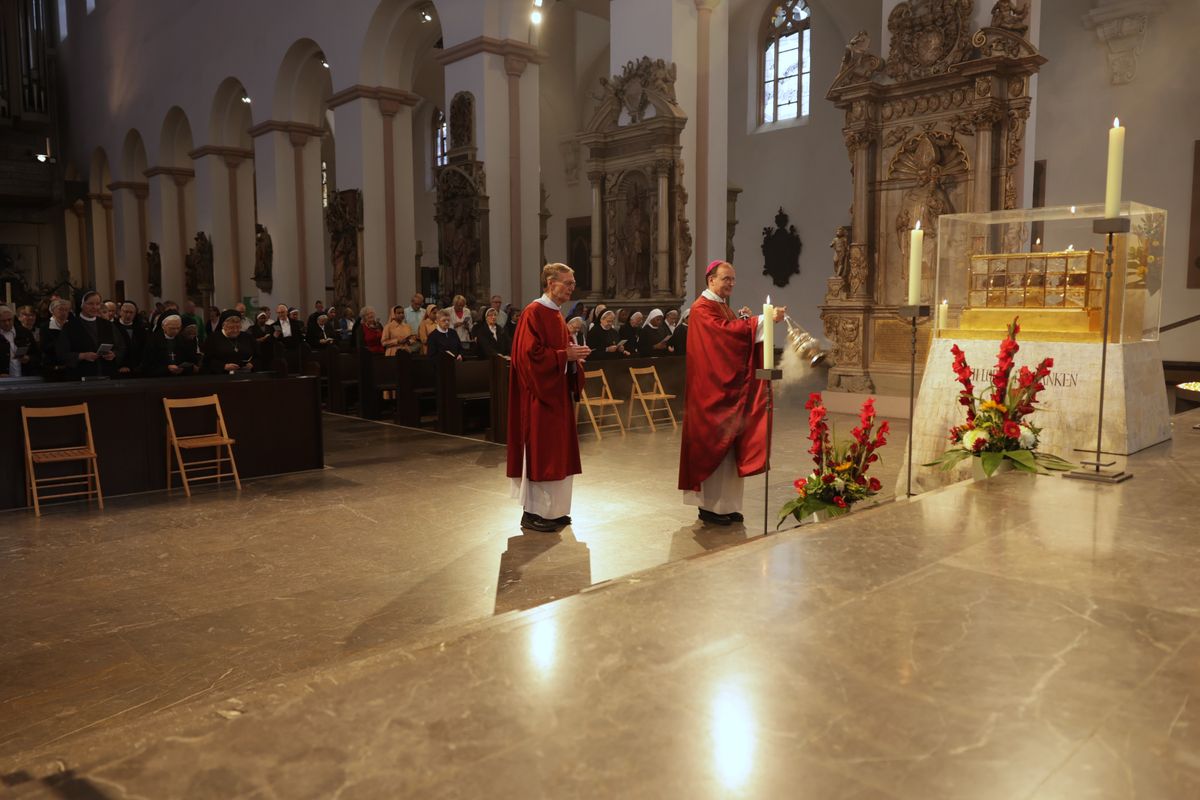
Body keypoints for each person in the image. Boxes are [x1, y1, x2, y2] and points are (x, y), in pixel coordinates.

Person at [679, 260, 786, 526]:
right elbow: (723, 338)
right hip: (710, 392)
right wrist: (760, 321)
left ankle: (727, 507)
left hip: (725, 390)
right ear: (711, 280)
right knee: (715, 446)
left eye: (733, 279)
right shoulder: (701, 308)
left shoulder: (720, 306)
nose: (731, 284)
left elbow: (731, 335)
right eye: (726, 279)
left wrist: (749, 321)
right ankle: (711, 508)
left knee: (730, 447)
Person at [507, 263, 590, 533]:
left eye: (572, 283)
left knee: (559, 453)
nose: (571, 287)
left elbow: (562, 351)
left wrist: (574, 357)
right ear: (550, 283)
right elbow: (527, 357)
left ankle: (555, 511)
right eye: (567, 283)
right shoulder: (534, 312)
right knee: (542, 453)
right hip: (539, 399)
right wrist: (563, 356)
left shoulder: (556, 315)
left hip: (558, 395)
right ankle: (534, 512)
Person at [57, 290, 125, 379]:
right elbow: (61, 353)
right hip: (81, 375)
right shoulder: (70, 326)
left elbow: (121, 347)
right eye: (90, 304)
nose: (95, 307)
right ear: (81, 304)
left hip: (107, 374)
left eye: (97, 304)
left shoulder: (108, 325)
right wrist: (82, 356)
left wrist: (113, 354)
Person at [202, 310, 256, 374]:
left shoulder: (247, 337)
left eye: (238, 327)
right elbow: (207, 360)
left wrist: (252, 364)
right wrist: (223, 366)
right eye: (232, 328)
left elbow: (257, 356)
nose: (235, 330)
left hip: (246, 376)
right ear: (223, 326)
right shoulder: (213, 338)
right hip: (222, 377)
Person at [0, 305, 38, 377]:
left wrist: (29, 358)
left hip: (25, 377)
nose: (7, 323)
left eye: (9, 320)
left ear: (14, 319)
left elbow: (37, 354)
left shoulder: (25, 332)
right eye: (3, 321)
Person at [115, 301, 148, 376]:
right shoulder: (113, 326)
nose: (128, 315)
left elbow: (144, 349)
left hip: (136, 368)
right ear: (120, 312)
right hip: (118, 369)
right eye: (126, 312)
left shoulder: (141, 328)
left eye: (131, 312)